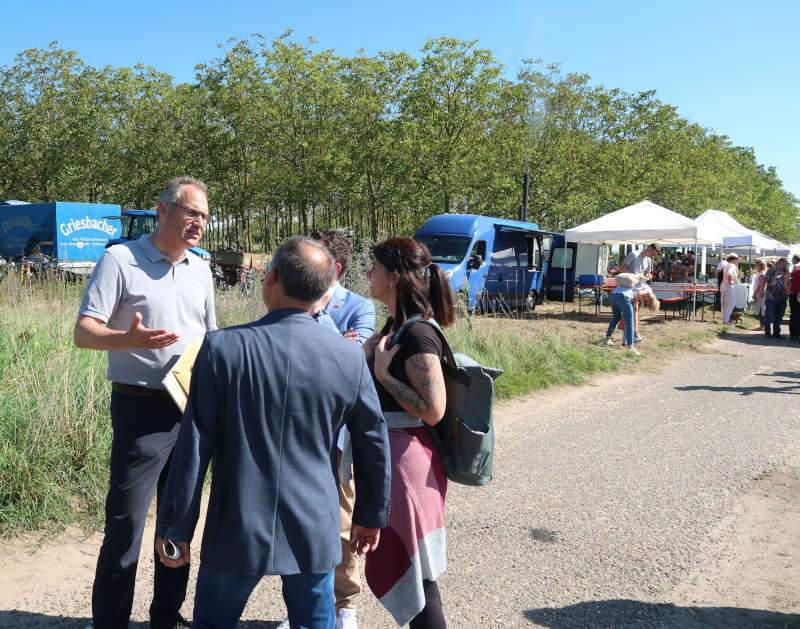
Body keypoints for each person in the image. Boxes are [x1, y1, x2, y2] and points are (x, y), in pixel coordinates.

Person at [154, 236, 391, 629]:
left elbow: (195, 443)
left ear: (271, 277)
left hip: (236, 524)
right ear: (324, 288)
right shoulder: (348, 357)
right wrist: (369, 515)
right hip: (314, 525)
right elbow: (372, 441)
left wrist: (177, 527)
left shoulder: (221, 349)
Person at [74, 176, 217, 629]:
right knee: (126, 527)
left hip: (191, 411)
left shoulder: (201, 269)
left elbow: (210, 340)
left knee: (177, 526)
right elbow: (84, 332)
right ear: (163, 210)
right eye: (191, 212)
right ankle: (111, 622)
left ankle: (166, 617)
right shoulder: (121, 260)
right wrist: (126, 338)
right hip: (141, 411)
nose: (199, 223)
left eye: (205, 216)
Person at [276, 228, 376, 629]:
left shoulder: (361, 307)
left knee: (343, 522)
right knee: (296, 521)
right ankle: (301, 607)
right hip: (295, 430)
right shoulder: (289, 298)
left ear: (333, 268)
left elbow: (355, 359)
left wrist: (318, 319)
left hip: (339, 438)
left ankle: (345, 605)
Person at [363, 237, 454, 629]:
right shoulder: (395, 328)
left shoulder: (417, 335)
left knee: (419, 576)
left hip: (408, 466)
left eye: (375, 268)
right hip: (397, 460)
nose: (369, 274)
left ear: (395, 277)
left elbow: (433, 410)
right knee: (416, 573)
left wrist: (382, 373)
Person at [619, 243, 660, 343]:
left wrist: (648, 276)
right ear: (649, 248)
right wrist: (634, 276)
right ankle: (631, 334)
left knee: (636, 308)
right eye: (653, 254)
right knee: (632, 309)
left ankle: (634, 333)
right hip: (629, 285)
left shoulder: (649, 260)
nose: (653, 256)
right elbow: (621, 268)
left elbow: (648, 274)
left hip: (639, 285)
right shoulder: (634, 254)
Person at [764, 257, 790, 338]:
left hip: (782, 297)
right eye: (786, 263)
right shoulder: (772, 270)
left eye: (788, 263)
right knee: (769, 315)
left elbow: (789, 282)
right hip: (771, 297)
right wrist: (773, 282)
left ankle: (776, 333)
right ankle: (767, 332)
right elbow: (765, 279)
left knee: (779, 316)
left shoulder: (787, 272)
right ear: (780, 262)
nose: (787, 264)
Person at [721, 253, 741, 325]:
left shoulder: (728, 265)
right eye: (737, 260)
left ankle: (725, 320)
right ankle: (726, 321)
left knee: (727, 304)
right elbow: (729, 274)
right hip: (728, 287)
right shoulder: (732, 265)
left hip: (725, 286)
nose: (738, 261)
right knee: (732, 303)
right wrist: (730, 282)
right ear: (734, 260)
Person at [751, 259, 767, 331]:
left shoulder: (762, 274)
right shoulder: (760, 273)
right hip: (760, 293)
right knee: (760, 310)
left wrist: (755, 293)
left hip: (760, 294)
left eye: (756, 265)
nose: (755, 266)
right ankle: (762, 325)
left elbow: (760, 285)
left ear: (760, 266)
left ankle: (763, 326)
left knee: (761, 310)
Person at [788, 255, 800, 340]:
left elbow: (786, 277)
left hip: (794, 294)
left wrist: (787, 287)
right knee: (795, 314)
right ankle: (795, 334)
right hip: (795, 294)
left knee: (794, 314)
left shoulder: (797, 269)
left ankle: (793, 334)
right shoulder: (797, 269)